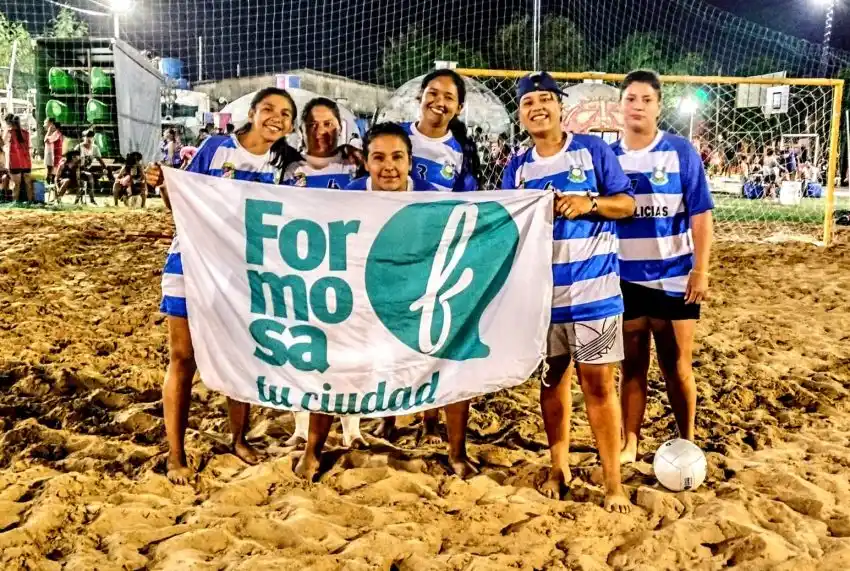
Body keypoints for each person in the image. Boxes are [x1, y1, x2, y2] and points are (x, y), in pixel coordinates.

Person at [501, 72, 636, 513]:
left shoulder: (592, 150)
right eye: (528, 102)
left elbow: (627, 204)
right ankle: (559, 466)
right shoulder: (517, 168)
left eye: (545, 99)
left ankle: (613, 482)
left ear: (561, 107)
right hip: (543, 299)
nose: (537, 107)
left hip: (595, 292)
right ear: (520, 114)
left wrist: (588, 203)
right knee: (552, 380)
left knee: (598, 384)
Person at [153, 87, 298, 484]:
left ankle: (238, 439)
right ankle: (175, 454)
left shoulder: (285, 165)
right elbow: (180, 203)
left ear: (290, 125)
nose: (276, 118)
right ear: (252, 112)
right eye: (269, 108)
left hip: (242, 273)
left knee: (239, 356)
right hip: (191, 263)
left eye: (285, 114)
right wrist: (164, 184)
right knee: (183, 357)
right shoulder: (216, 148)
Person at [293, 122, 436, 483]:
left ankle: (456, 451)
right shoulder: (348, 197)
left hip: (411, 300)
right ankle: (313, 450)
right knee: (334, 366)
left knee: (452, 350)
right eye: (379, 158)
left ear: (410, 161)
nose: (388, 166)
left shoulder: (432, 198)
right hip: (358, 297)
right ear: (366, 162)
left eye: (397, 157)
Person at [612, 70, 714, 470]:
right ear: (620, 106)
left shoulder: (680, 151)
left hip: (674, 277)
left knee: (677, 365)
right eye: (631, 99)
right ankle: (630, 442)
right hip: (623, 277)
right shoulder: (608, 157)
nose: (637, 106)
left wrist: (701, 269)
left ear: (658, 107)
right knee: (632, 366)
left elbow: (701, 214)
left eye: (646, 99)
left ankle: (687, 441)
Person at [376, 69, 483, 448]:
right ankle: (387, 418)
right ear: (419, 96)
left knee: (434, 339)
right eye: (433, 93)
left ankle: (430, 420)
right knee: (389, 339)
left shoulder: (462, 151)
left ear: (459, 107)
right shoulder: (397, 136)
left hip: (435, 257)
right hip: (390, 252)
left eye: (449, 97)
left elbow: (469, 205)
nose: (439, 102)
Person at [279, 97, 366, 449]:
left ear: (340, 127)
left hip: (345, 269)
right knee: (302, 346)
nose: (321, 131)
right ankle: (301, 427)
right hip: (301, 270)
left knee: (348, 347)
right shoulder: (289, 169)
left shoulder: (354, 165)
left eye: (328, 123)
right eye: (313, 124)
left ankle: (352, 429)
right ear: (301, 130)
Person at [2, 114, 34, 203]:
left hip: (15, 162)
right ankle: (30, 202)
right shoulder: (26, 133)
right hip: (26, 162)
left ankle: (15, 203)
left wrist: (5, 130)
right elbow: (29, 147)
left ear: (8, 123)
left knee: (16, 185)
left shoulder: (9, 132)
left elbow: (2, 143)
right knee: (28, 184)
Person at [75, 130, 110, 205]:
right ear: (83, 138)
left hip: (87, 170)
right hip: (77, 169)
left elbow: (100, 160)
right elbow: (73, 160)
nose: (89, 138)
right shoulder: (79, 147)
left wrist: (104, 168)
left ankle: (91, 199)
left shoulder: (95, 148)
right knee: (87, 178)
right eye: (87, 136)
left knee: (92, 176)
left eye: (91, 136)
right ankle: (78, 200)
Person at [44, 118, 64, 185]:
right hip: (55, 155)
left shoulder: (56, 133)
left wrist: (49, 131)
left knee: (52, 172)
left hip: (55, 155)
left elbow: (46, 140)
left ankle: (52, 186)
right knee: (52, 171)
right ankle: (52, 185)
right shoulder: (58, 133)